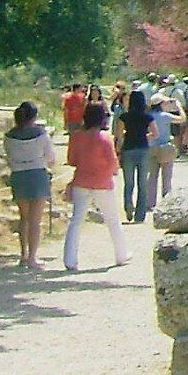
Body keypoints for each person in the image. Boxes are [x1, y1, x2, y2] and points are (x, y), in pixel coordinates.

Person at [63, 101, 129, 271]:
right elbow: (113, 162)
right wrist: (113, 172)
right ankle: (121, 255)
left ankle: (70, 260)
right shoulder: (105, 137)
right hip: (102, 182)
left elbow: (71, 160)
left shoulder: (76, 136)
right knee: (112, 220)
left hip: (81, 181)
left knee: (76, 221)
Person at [3, 101, 55, 269]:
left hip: (18, 175)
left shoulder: (9, 136)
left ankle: (23, 255)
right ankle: (32, 257)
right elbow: (51, 158)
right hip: (37, 174)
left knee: (23, 218)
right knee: (35, 220)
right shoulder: (41, 135)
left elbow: (9, 158)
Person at [117, 90, 155, 224]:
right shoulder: (147, 117)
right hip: (143, 149)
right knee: (142, 183)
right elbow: (155, 133)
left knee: (129, 183)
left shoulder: (124, 117)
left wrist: (117, 151)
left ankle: (128, 207)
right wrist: (145, 136)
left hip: (128, 149)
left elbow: (119, 136)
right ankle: (140, 215)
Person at [147, 95, 181, 203]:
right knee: (166, 177)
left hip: (151, 147)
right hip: (165, 147)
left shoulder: (148, 116)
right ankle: (166, 201)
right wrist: (179, 107)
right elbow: (182, 119)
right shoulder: (165, 116)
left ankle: (150, 202)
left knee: (152, 177)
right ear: (160, 104)